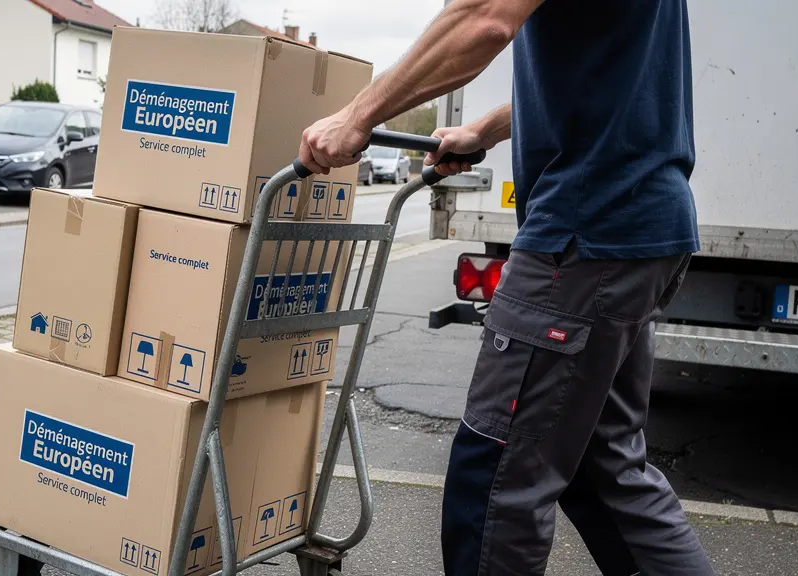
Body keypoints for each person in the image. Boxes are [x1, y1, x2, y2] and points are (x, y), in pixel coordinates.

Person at [299, 0, 716, 574]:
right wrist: (484, 129)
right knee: (604, 468)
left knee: (495, 480)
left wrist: (357, 115)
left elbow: (484, 18)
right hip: (640, 228)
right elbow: (601, 82)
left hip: (582, 237)